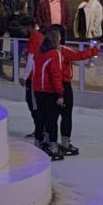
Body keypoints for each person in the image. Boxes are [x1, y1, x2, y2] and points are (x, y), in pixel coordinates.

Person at [58, 31, 99, 155]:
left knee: (51, 115)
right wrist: (94, 50)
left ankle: (49, 140)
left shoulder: (45, 50)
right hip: (63, 85)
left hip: (49, 87)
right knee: (66, 115)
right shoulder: (62, 51)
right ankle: (64, 143)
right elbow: (79, 55)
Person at [32, 28, 66, 161]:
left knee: (41, 118)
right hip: (49, 92)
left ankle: (38, 142)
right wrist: (60, 94)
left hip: (38, 90)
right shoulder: (54, 53)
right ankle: (53, 146)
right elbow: (55, 74)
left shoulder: (39, 52)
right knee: (52, 120)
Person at [21, 24, 45, 143]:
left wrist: (24, 77)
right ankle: (41, 128)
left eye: (23, 28)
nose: (22, 31)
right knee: (35, 104)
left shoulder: (33, 39)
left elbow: (30, 60)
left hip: (33, 77)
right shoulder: (40, 36)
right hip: (39, 76)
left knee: (33, 104)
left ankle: (40, 129)